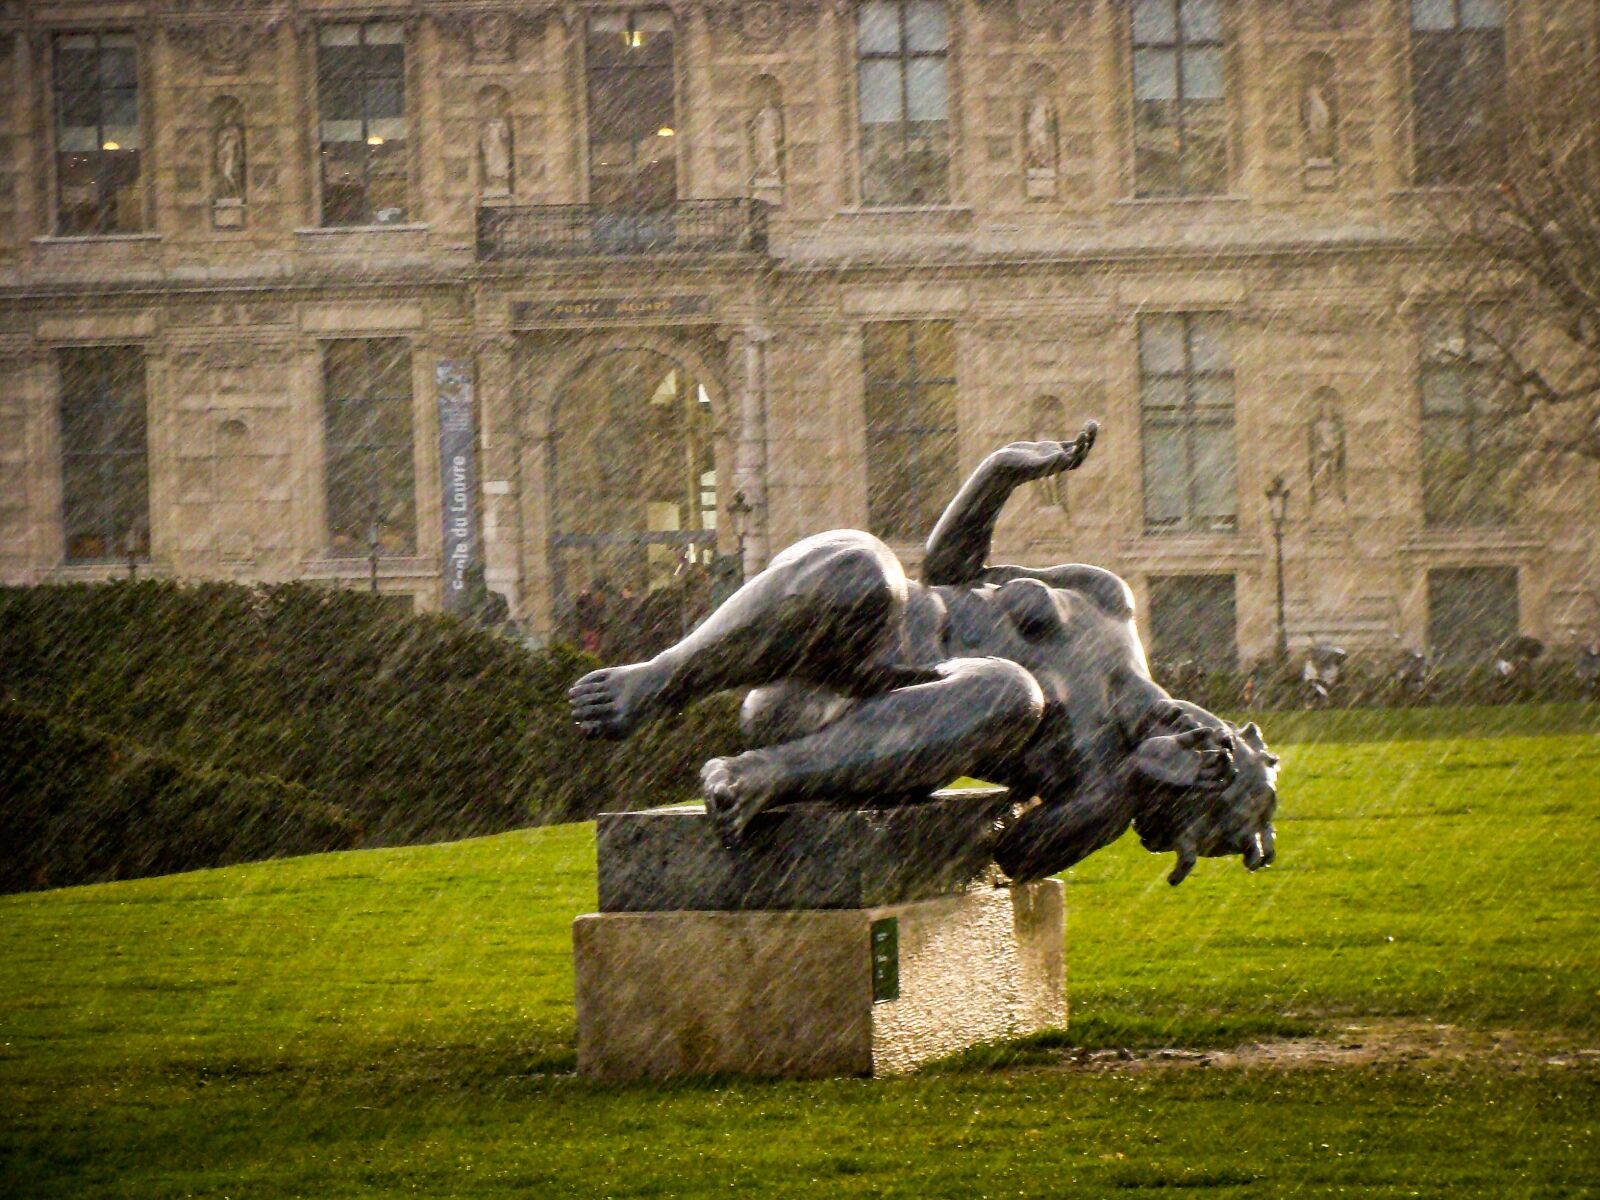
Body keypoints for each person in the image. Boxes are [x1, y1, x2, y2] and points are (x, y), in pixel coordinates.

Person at [571, 424, 1279, 886]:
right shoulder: (1108, 602)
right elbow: (949, 571)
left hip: (838, 727)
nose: (1200, 737)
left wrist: (1124, 785)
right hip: (845, 633)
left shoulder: (1097, 778)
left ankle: (764, 776)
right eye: (1219, 741)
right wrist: (999, 475)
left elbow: (1012, 856)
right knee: (861, 564)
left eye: (1201, 767)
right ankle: (663, 679)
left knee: (1010, 691)